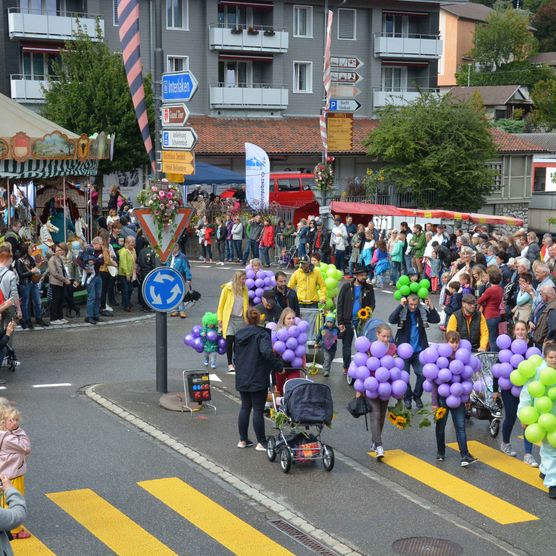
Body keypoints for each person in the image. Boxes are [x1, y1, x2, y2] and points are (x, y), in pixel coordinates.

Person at [494, 320, 538, 466]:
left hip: (527, 390)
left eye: (523, 329)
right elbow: (498, 370)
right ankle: (505, 443)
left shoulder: (532, 346)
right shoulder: (507, 346)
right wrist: (495, 390)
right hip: (508, 388)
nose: (520, 332)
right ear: (514, 332)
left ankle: (528, 454)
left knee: (527, 420)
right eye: (518, 330)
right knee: (511, 417)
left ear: (527, 331)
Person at [235, 308, 279, 451]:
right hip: (258, 375)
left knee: (245, 407)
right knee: (258, 410)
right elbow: (266, 352)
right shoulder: (262, 334)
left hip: (242, 375)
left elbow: (236, 356)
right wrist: (278, 366)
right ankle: (261, 442)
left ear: (246, 319)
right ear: (259, 319)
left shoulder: (239, 334)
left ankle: (243, 440)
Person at [432, 331, 478, 467]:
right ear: (446, 342)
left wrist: (468, 399)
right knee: (440, 426)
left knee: (461, 427)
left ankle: (464, 455)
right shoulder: (440, 358)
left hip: (457, 397)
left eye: (456, 342)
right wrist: (434, 402)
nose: (454, 345)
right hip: (442, 397)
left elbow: (467, 379)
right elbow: (434, 381)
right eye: (452, 342)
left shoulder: (463, 358)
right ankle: (440, 452)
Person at [389, 293, 440, 410]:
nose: (413, 307)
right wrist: (400, 306)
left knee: (423, 374)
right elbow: (391, 319)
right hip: (403, 350)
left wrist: (431, 306)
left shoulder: (420, 311)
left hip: (419, 350)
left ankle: (417, 396)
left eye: (415, 304)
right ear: (407, 302)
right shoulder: (403, 311)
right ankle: (407, 398)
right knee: (404, 376)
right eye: (411, 304)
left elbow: (436, 319)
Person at [518, 343, 556, 498]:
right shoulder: (538, 373)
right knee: (551, 448)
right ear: (545, 357)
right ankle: (553, 484)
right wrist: (523, 415)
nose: (554, 360)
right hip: (543, 418)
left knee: (550, 448)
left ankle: (545, 470)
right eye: (551, 357)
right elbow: (526, 394)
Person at [364, 323, 397, 459]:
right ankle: (379, 445)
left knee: (382, 416)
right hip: (372, 386)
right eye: (383, 336)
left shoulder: (393, 348)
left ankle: (374, 441)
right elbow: (362, 367)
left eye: (388, 337)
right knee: (375, 414)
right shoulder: (369, 347)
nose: (385, 339)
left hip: (386, 387)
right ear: (377, 335)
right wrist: (359, 390)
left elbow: (396, 367)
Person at [337, 265, 376, 375]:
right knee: (347, 346)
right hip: (347, 321)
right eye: (362, 275)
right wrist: (340, 322)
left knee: (363, 346)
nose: (364, 277)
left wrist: (368, 311)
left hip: (362, 322)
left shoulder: (369, 288)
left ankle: (361, 366)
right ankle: (346, 367)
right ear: (356, 275)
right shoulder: (346, 287)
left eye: (365, 275)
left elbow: (372, 303)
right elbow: (340, 304)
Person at [0, 405, 31, 539]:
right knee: (14, 498)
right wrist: (19, 430)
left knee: (4, 499)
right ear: (3, 422)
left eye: (17, 420)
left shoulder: (4, 435)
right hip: (12, 474)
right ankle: (14, 530)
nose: (15, 423)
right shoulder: (9, 438)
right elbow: (26, 447)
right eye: (11, 420)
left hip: (6, 472)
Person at [217, 270, 249, 372]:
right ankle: (230, 364)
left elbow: (246, 305)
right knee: (229, 340)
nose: (244, 281)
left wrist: (247, 318)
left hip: (240, 319)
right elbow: (221, 305)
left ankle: (237, 362)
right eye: (243, 279)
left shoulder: (245, 289)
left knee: (238, 342)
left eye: (245, 279)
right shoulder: (227, 289)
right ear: (237, 279)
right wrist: (220, 319)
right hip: (229, 318)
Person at [15, 244, 48, 329]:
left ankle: (39, 318)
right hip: (25, 284)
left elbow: (34, 268)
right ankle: (27, 320)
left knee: (37, 301)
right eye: (30, 248)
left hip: (33, 283)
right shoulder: (19, 261)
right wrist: (31, 272)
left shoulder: (31, 258)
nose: (32, 250)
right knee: (25, 303)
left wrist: (39, 265)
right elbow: (21, 275)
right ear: (26, 250)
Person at [77, 237, 105, 325]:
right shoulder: (87, 249)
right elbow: (78, 260)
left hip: (97, 275)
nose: (101, 246)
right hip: (89, 276)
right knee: (92, 297)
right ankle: (89, 316)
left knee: (98, 296)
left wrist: (95, 261)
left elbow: (102, 261)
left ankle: (96, 315)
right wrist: (85, 267)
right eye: (100, 244)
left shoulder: (99, 251)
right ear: (95, 244)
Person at [476, 266, 504, 352]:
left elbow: (479, 301)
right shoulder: (500, 289)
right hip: (497, 314)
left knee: (491, 338)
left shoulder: (490, 290)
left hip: (489, 315)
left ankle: (493, 355)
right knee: (495, 337)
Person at [48, 243, 70, 325]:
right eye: (57, 250)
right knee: (55, 300)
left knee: (60, 300)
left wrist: (66, 278)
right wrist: (64, 279)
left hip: (61, 282)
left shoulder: (59, 259)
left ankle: (60, 317)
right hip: (55, 283)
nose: (59, 252)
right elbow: (54, 273)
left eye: (60, 250)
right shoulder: (52, 260)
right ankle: (53, 318)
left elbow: (63, 270)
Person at [168, 244, 192, 318]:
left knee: (180, 294)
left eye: (173, 248)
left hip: (179, 278)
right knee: (172, 294)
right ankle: (175, 310)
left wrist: (188, 278)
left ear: (177, 248)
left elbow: (186, 268)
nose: (172, 250)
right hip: (170, 278)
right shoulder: (169, 257)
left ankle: (182, 311)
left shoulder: (182, 257)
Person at [117, 236, 137, 313]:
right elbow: (123, 263)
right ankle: (126, 305)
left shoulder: (134, 250)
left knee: (130, 289)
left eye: (133, 242)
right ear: (127, 243)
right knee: (125, 289)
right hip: (124, 274)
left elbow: (134, 261)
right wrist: (127, 274)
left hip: (132, 273)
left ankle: (127, 302)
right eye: (131, 242)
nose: (133, 244)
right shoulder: (123, 251)